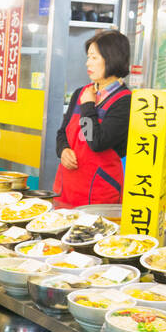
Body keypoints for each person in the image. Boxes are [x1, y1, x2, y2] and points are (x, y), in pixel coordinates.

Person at [53, 30, 132, 207]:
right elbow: (61, 133)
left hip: (99, 195)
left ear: (111, 58)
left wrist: (88, 106)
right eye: (88, 57)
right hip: (65, 189)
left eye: (94, 58)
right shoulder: (80, 93)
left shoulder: (124, 101)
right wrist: (63, 150)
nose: (88, 63)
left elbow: (96, 142)